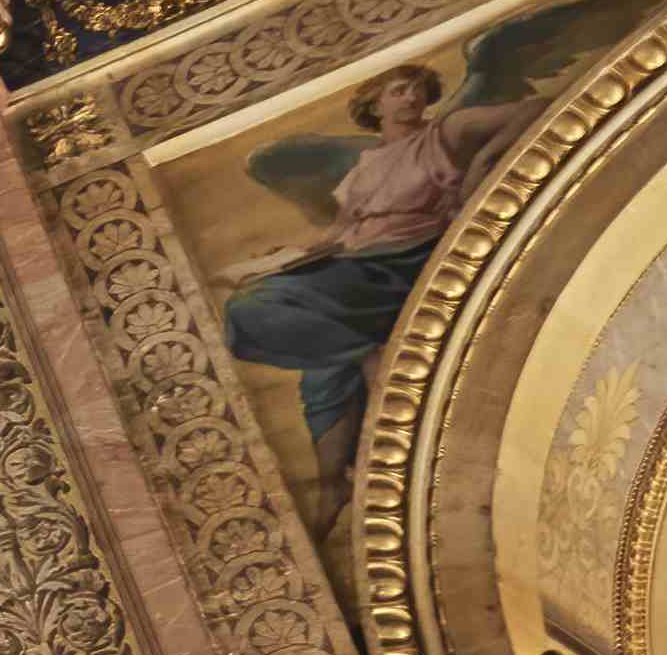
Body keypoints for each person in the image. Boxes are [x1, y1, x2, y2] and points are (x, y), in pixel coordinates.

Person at [221, 59, 522, 499]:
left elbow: (530, 111)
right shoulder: (364, 164)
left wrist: (478, 171)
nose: (412, 97)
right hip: (357, 264)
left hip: (400, 263)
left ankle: (370, 355)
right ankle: (333, 485)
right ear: (375, 105)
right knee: (322, 370)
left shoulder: (444, 133)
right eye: (399, 90)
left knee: (251, 306)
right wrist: (280, 259)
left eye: (418, 89)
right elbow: (340, 231)